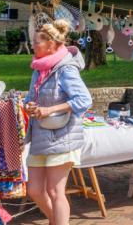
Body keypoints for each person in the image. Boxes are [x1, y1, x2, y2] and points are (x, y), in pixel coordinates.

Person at [23, 18, 92, 225]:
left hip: (62, 136)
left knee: (55, 191)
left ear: (51, 45)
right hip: (41, 136)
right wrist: (28, 106)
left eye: (37, 42)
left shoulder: (65, 69)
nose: (33, 45)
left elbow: (84, 100)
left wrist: (49, 109)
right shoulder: (39, 69)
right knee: (34, 190)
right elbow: (30, 98)